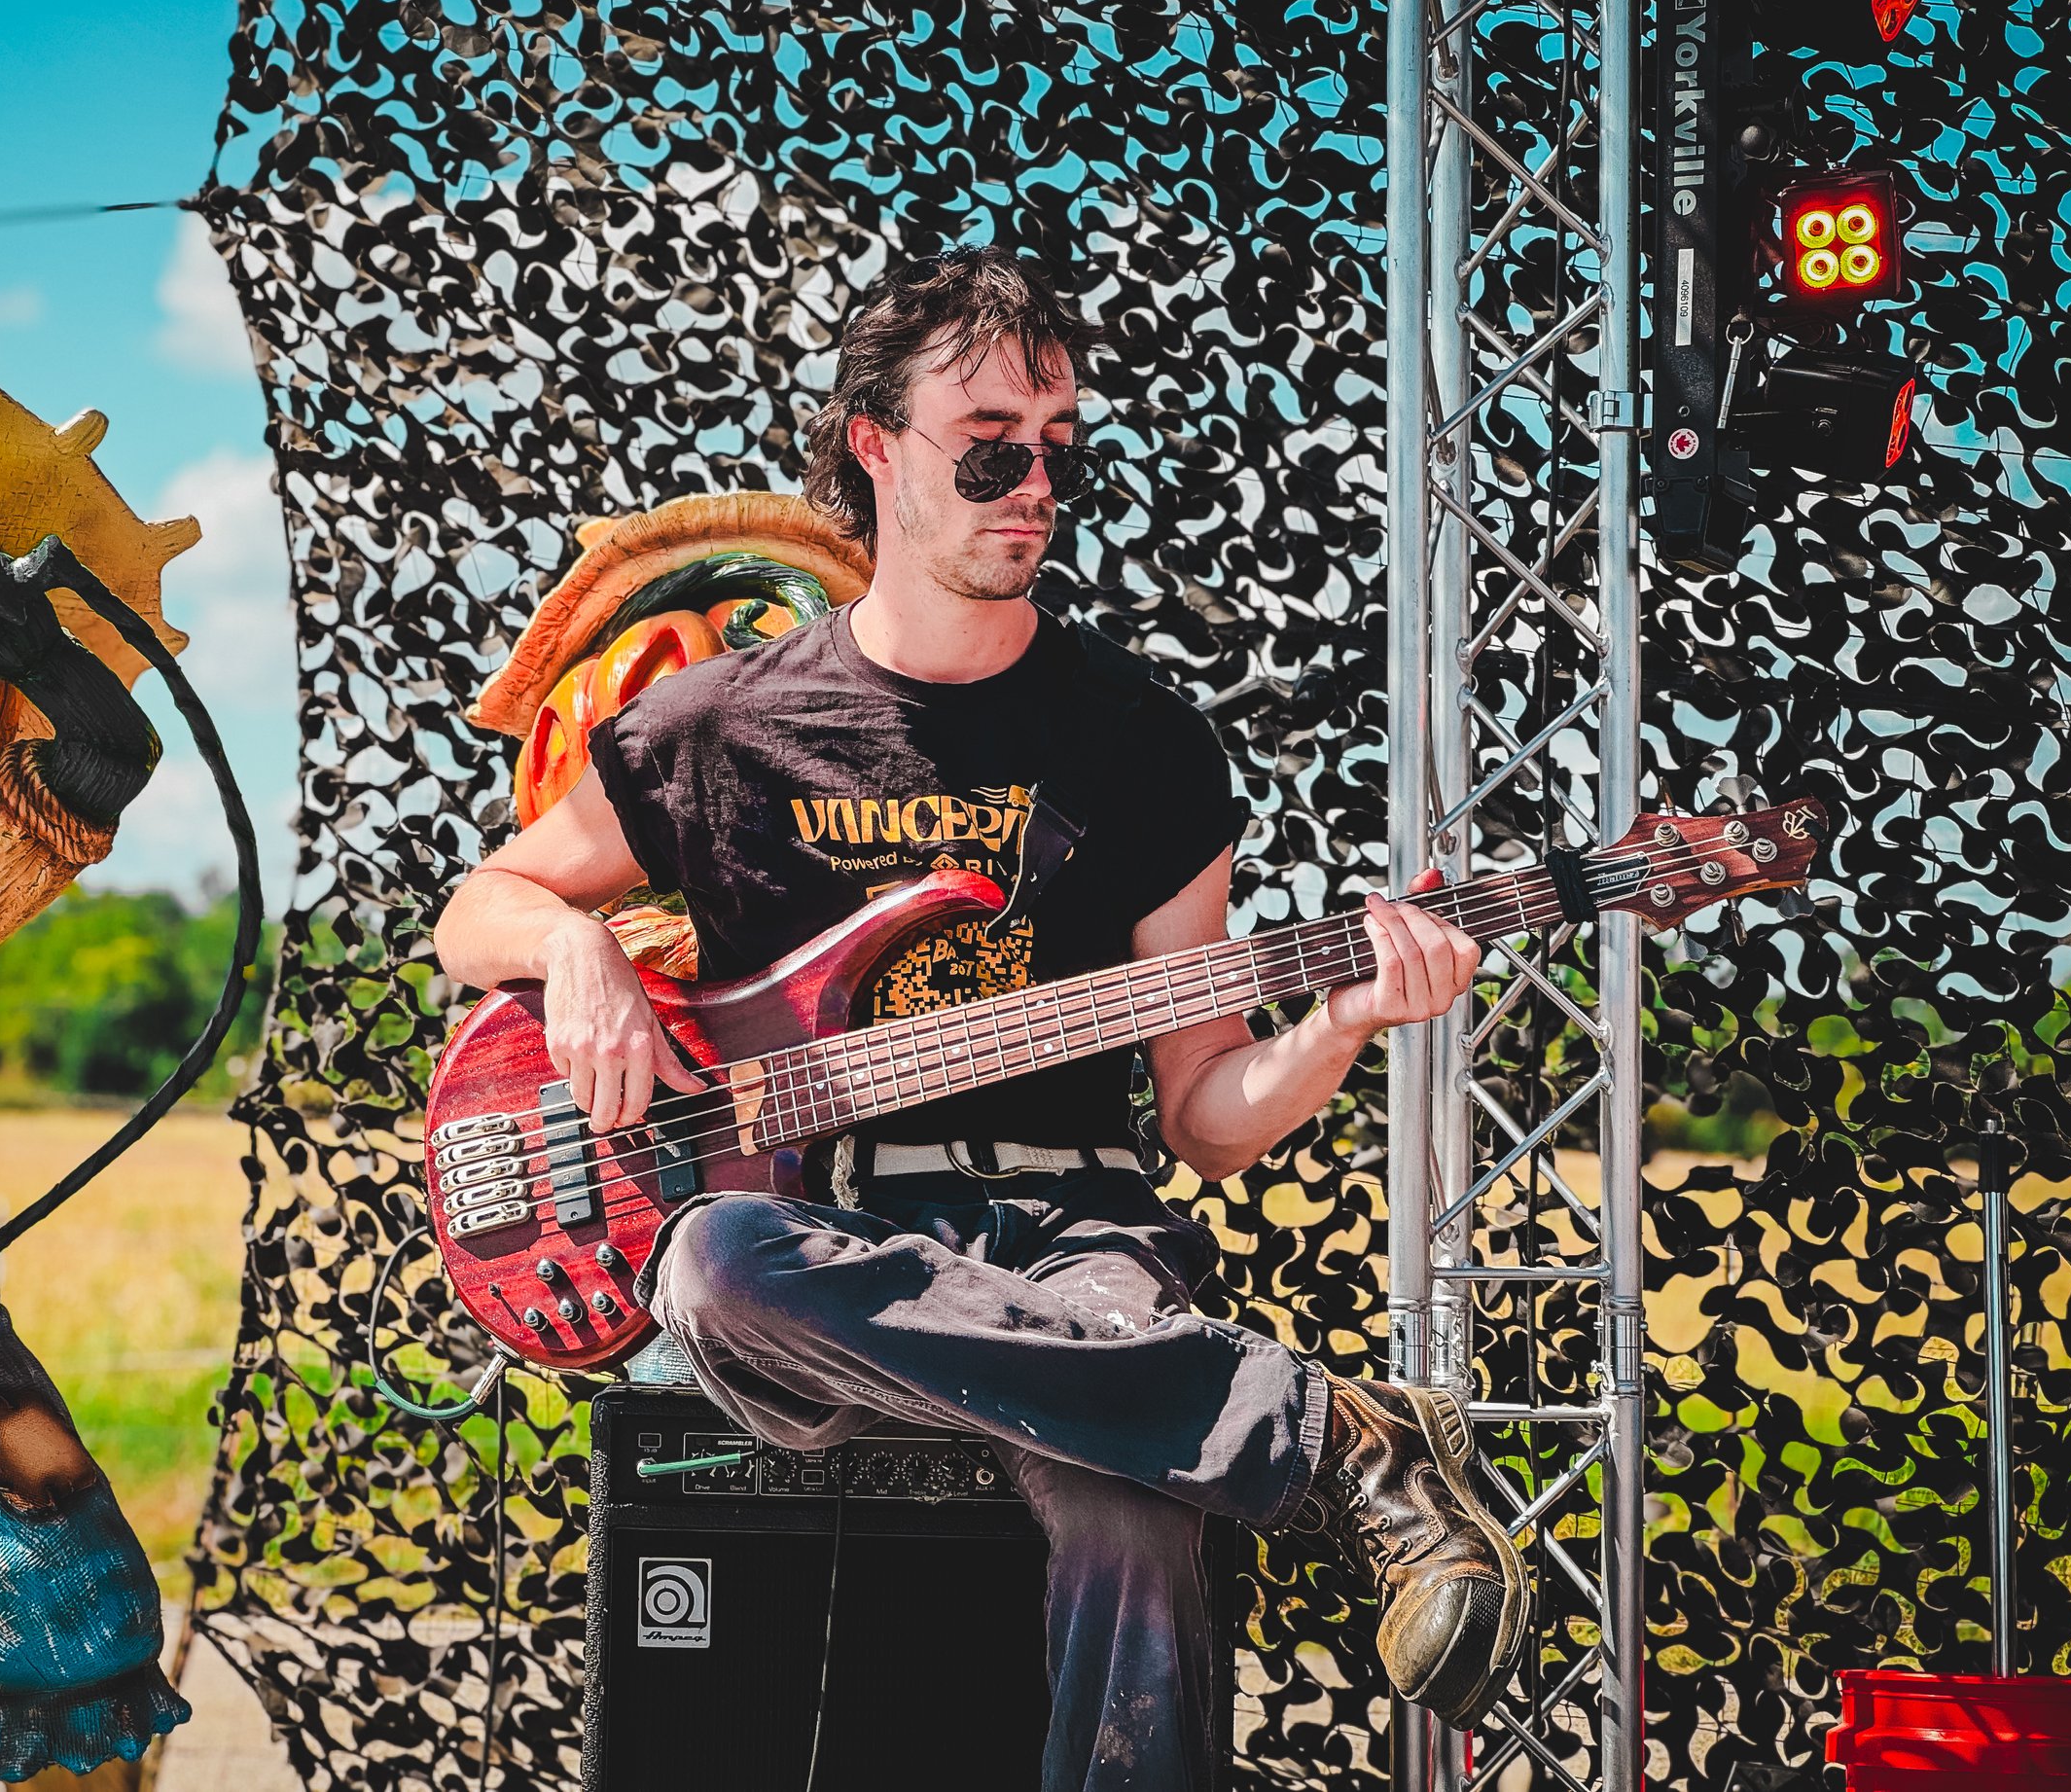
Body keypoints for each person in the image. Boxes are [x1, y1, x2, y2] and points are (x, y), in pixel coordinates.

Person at [435, 246, 1528, 1790]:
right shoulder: (718, 726)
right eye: (991, 446)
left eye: (1058, 453)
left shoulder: (1141, 745)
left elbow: (1207, 1121)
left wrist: (1342, 1024)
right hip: (812, 1237)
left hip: (1077, 1231)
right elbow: (472, 908)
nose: (1034, 488)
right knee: (712, 1264)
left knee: (1139, 1506)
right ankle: (1328, 1435)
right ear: (876, 445)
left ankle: (1238, 1446)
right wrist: (573, 953)